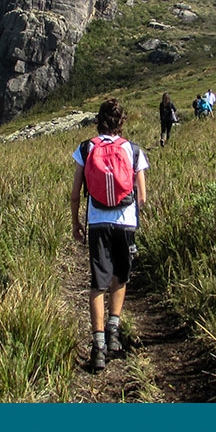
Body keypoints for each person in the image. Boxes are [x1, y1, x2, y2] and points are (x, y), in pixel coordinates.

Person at [70, 98, 149, 372]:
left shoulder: (86, 148)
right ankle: (114, 330)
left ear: (98, 120)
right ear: (121, 121)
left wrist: (75, 224)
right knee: (121, 276)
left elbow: (75, 193)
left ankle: (98, 345)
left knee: (97, 282)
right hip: (125, 222)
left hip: (97, 222)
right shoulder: (133, 150)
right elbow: (142, 196)